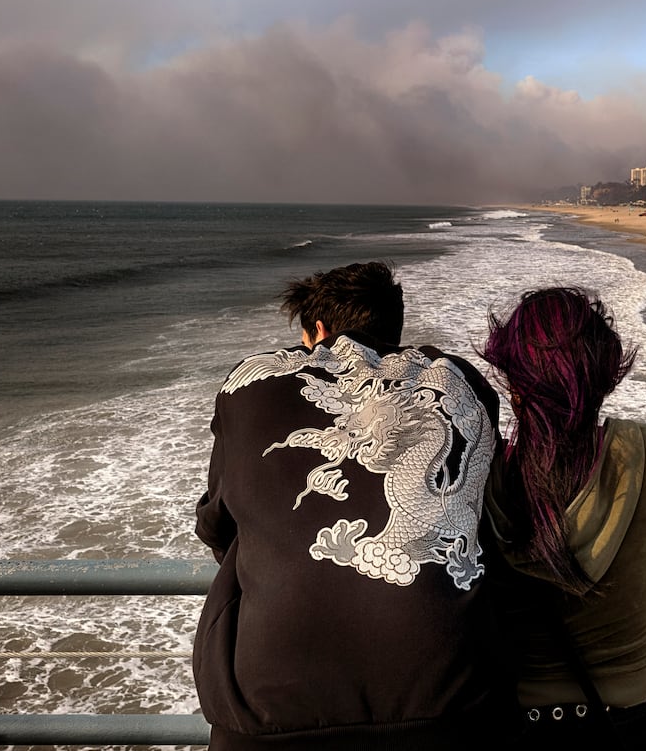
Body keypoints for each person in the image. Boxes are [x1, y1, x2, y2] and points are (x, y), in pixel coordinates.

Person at [193, 261, 512, 750]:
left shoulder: (246, 386)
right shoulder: (459, 381)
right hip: (449, 704)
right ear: (393, 328)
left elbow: (217, 525)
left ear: (316, 331)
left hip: (267, 713)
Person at [481, 287, 646, 750]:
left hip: (519, 723)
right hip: (629, 722)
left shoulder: (481, 475)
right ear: (603, 376)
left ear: (514, 385)